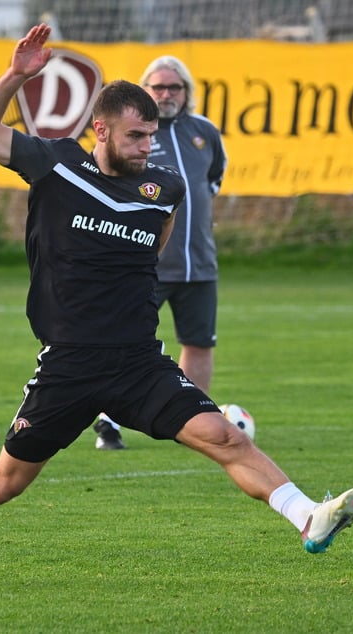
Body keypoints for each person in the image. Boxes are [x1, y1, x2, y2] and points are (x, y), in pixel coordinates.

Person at [0, 23, 353, 588]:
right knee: (2, 484)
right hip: (69, 365)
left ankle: (308, 515)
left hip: (138, 363)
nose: (146, 148)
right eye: (135, 136)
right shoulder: (55, 164)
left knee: (227, 437)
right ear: (101, 130)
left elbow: (151, 252)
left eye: (151, 137)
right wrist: (16, 76)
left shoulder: (164, 189)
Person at [93, 54, 227, 451]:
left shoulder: (205, 132)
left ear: (187, 91)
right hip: (145, 265)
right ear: (144, 90)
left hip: (199, 264)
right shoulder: (130, 134)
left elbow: (213, 180)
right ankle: (107, 421)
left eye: (174, 87)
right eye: (158, 87)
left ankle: (194, 422)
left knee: (199, 342)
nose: (166, 94)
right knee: (124, 343)